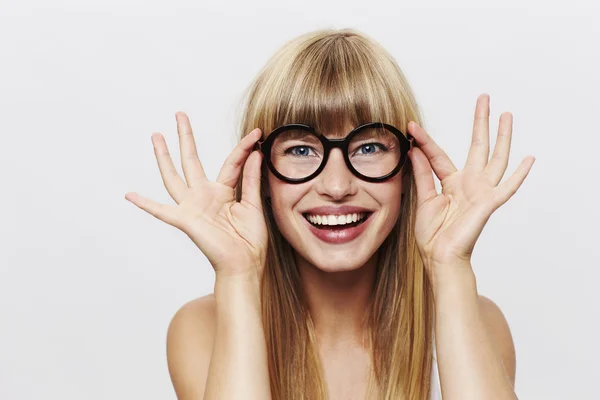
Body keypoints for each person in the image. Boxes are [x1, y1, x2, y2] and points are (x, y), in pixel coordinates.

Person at [125, 28, 534, 400]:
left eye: (369, 148)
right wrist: (237, 274)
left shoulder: (474, 317)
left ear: (409, 170)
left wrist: (450, 265)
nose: (337, 187)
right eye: (300, 150)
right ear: (262, 175)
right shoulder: (202, 328)